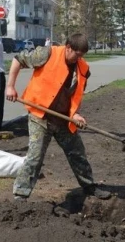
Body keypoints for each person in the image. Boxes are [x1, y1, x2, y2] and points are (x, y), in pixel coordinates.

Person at [6, 33, 111, 201]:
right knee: (35, 156)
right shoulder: (47, 54)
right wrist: (10, 86)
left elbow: (76, 95)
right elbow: (18, 59)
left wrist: (75, 113)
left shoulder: (83, 69)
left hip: (63, 119)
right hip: (40, 115)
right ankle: (21, 194)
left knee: (77, 153)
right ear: (68, 47)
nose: (79, 58)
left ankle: (89, 186)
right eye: (77, 54)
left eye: (82, 55)